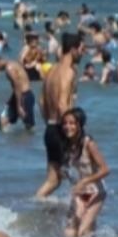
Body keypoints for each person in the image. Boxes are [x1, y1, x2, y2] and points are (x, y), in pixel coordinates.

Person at [37, 33, 83, 198]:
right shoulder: (68, 72)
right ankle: (80, 216)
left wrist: (51, 125)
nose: (82, 53)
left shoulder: (51, 71)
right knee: (81, 175)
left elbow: (41, 102)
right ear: (73, 49)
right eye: (81, 49)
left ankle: (35, 203)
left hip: (50, 128)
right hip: (62, 129)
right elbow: (62, 103)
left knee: (53, 180)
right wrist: (71, 133)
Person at [59, 108, 109, 237]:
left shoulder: (88, 144)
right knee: (69, 232)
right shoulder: (68, 144)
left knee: (82, 232)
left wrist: (84, 181)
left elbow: (105, 170)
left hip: (96, 192)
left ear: (80, 125)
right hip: (81, 193)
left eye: (72, 123)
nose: (67, 127)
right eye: (65, 123)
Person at [0, 53, 35, 132]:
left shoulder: (9, 69)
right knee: (5, 120)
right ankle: (8, 142)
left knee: (29, 125)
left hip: (24, 96)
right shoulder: (13, 63)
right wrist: (12, 99)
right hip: (23, 94)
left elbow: (17, 86)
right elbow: (18, 85)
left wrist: (18, 106)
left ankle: (22, 143)